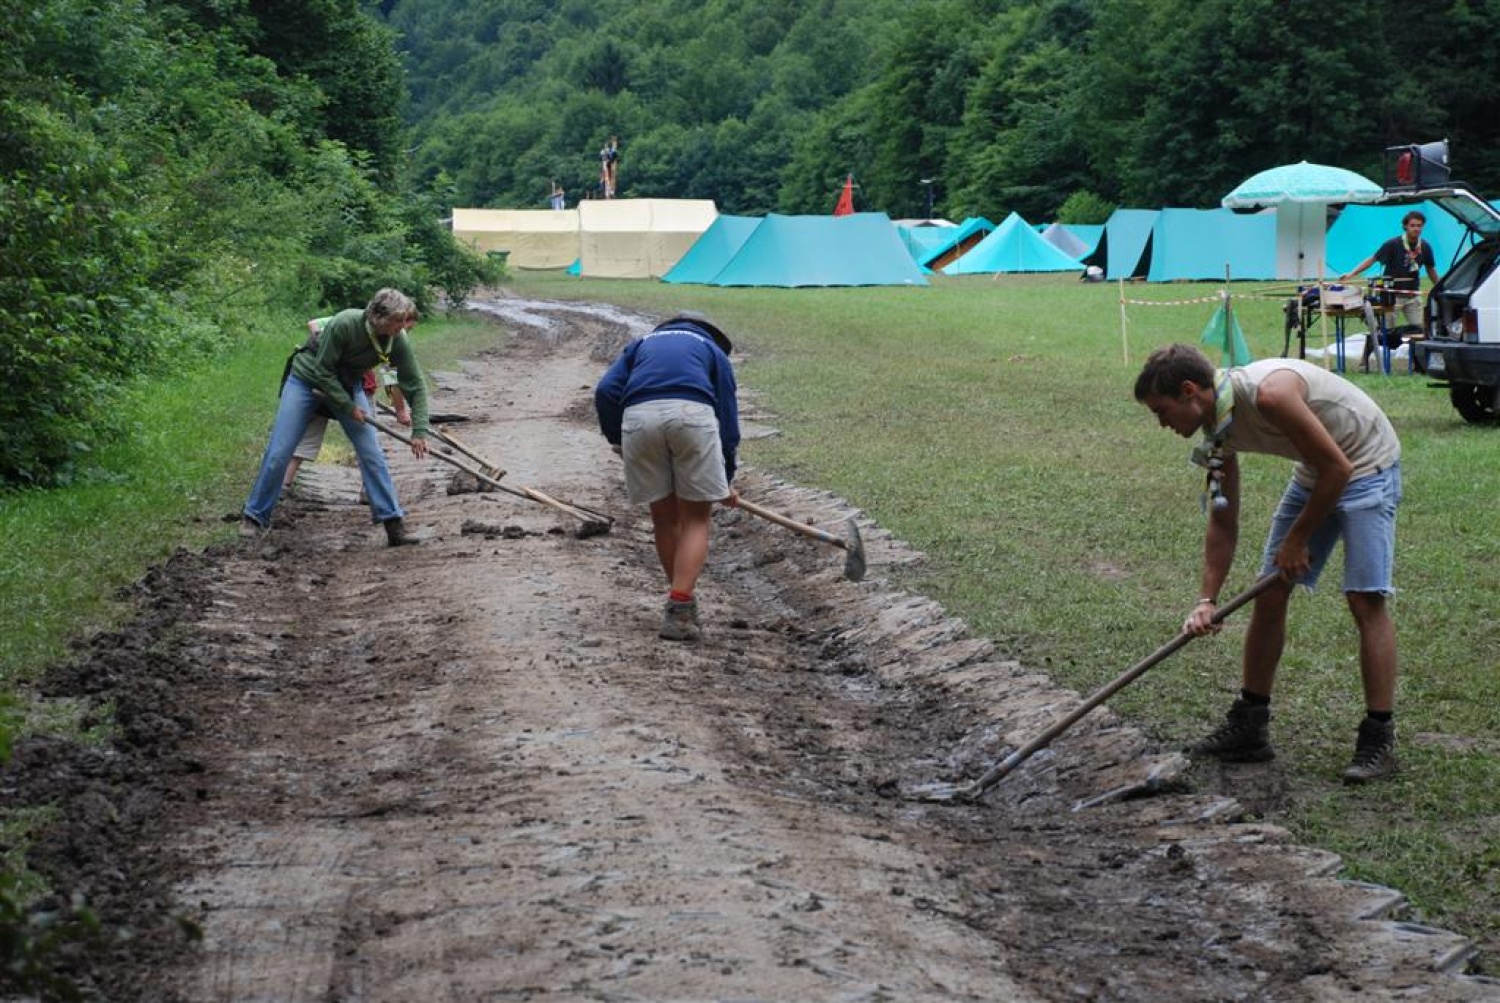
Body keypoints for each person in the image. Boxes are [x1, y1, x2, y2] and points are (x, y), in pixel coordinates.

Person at [1134, 343, 1403, 784]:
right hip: (1317, 470)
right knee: (1271, 589)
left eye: (1161, 411)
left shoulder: (1269, 394)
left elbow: (1339, 468)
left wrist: (1298, 538)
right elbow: (1223, 520)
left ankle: (1379, 737)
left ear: (1188, 391)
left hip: (1366, 464)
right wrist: (1206, 599)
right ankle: (1250, 726)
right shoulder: (1218, 428)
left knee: (1364, 598)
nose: (1163, 424)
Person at [242, 288, 431, 546]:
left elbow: (414, 384)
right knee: (280, 449)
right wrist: (347, 406)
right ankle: (254, 517)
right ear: (378, 317)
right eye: (397, 321)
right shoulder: (345, 323)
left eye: (403, 320)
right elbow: (322, 371)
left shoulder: (397, 339)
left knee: (371, 452)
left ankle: (393, 523)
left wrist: (419, 429)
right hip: (307, 379)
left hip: (348, 384)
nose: (402, 327)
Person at [594, 313, 740, 642]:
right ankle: (680, 605)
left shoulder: (642, 344)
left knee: (663, 517)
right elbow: (728, 421)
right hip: (692, 417)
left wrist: (618, 439)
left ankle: (679, 601)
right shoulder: (712, 351)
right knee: (696, 518)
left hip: (638, 418)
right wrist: (725, 476)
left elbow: (606, 390)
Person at [282, 317, 411, 497]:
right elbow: (313, 324)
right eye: (404, 327)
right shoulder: (349, 324)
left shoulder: (387, 339)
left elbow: (390, 377)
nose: (404, 332)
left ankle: (369, 490)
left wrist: (398, 409)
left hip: (343, 386)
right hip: (333, 384)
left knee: (364, 443)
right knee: (367, 442)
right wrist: (331, 353)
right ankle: (284, 485)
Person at [1338, 210, 1440, 372]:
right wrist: (1351, 274)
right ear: (1405, 226)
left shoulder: (1425, 247)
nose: (1416, 229)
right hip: (1391, 296)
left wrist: (1440, 286)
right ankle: (1365, 360)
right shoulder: (1393, 244)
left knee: (1419, 330)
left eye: (1419, 226)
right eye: (1413, 225)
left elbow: (1430, 269)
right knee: (1385, 332)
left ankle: (1418, 364)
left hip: (1413, 296)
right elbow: (1372, 259)